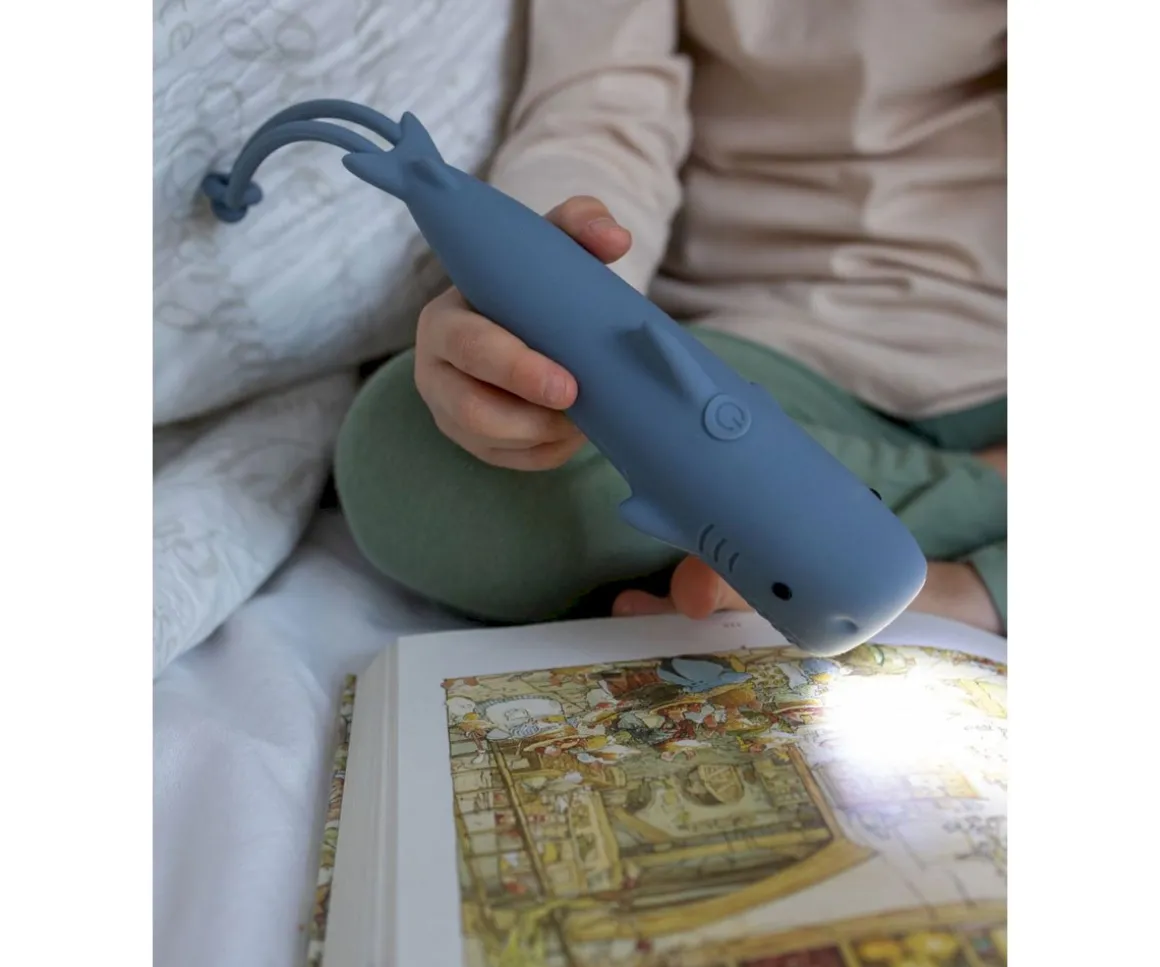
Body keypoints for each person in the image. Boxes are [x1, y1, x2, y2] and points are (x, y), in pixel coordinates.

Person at [335, 0, 1007, 635]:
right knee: (406, 452)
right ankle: (949, 531)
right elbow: (602, 106)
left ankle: (948, 578)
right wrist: (547, 308)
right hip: (768, 339)